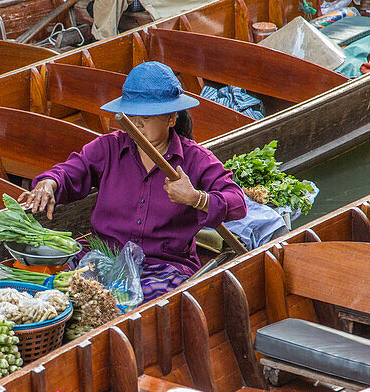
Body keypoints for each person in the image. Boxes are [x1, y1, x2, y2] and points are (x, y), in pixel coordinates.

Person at [20, 61, 246, 299]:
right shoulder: (109, 147)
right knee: (49, 292)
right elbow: (70, 171)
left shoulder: (195, 159)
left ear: (171, 119)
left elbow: (237, 201)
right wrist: (49, 183)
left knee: (137, 305)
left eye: (146, 117)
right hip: (104, 257)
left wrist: (196, 198)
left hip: (162, 268)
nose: (136, 123)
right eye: (132, 114)